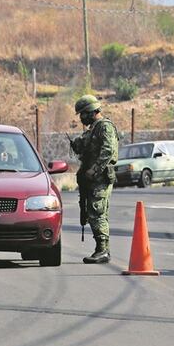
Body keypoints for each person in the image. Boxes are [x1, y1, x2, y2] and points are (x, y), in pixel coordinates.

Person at [69, 95, 120, 264]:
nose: (81, 118)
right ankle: (101, 249)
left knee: (97, 212)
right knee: (92, 212)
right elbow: (87, 148)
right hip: (91, 178)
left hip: (100, 177)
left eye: (83, 114)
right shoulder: (93, 129)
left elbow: (108, 151)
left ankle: (103, 250)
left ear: (90, 111)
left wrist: (94, 169)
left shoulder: (105, 127)